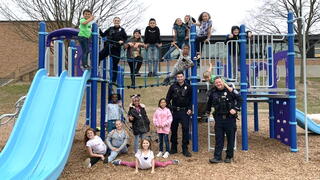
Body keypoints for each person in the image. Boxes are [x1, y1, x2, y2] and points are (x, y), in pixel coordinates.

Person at [206, 76, 242, 163]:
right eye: (216, 83)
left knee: (230, 138)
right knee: (219, 138)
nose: (218, 84)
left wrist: (236, 109)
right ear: (215, 84)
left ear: (223, 82)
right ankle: (217, 157)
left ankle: (229, 157)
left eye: (220, 82)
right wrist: (207, 112)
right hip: (218, 119)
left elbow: (240, 99)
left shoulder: (230, 90)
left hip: (230, 118)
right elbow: (209, 103)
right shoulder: (213, 92)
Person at [112, 138, 179, 174]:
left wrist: (152, 170)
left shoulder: (151, 152)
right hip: (140, 165)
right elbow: (137, 160)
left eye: (147, 143)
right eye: (144, 143)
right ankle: (119, 162)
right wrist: (136, 170)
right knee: (129, 164)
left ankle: (172, 162)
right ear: (142, 144)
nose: (145, 144)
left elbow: (153, 161)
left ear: (149, 144)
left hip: (150, 165)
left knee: (162, 164)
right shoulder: (139, 151)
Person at [166, 72, 192, 157]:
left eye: (181, 76)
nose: (180, 78)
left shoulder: (188, 87)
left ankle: (185, 148)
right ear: (176, 78)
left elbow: (191, 99)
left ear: (184, 77)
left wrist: (190, 108)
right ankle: (174, 147)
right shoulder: (173, 87)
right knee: (173, 129)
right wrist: (169, 108)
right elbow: (167, 98)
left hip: (184, 111)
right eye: (178, 77)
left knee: (185, 128)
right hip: (174, 111)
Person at [99, 17, 128, 82]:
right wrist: (99, 29)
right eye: (115, 20)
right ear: (113, 21)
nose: (116, 22)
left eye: (118, 21)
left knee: (115, 64)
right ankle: (96, 70)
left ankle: (114, 79)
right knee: (99, 56)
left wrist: (122, 41)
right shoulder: (110, 29)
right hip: (109, 46)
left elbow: (125, 38)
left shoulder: (122, 30)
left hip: (116, 48)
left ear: (119, 22)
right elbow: (103, 35)